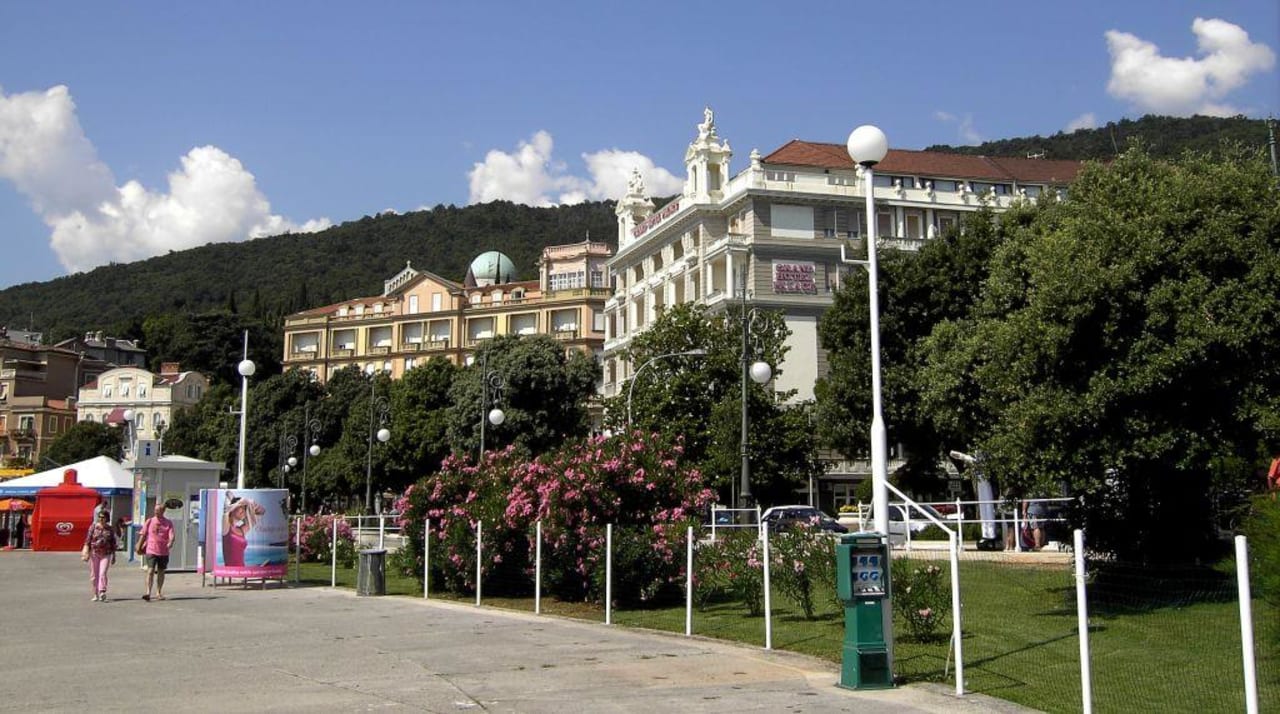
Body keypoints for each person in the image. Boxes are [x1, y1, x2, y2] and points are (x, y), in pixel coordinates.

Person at [139, 503, 175, 601]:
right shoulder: (150, 521)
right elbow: (143, 534)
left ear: (163, 511)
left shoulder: (168, 523)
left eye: (158, 510)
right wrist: (139, 546)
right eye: (155, 510)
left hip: (163, 551)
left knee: (161, 571)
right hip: (151, 550)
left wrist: (170, 542)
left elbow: (172, 535)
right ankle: (148, 592)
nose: (155, 512)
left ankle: (159, 592)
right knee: (150, 571)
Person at [82, 510, 119, 601]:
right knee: (94, 574)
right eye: (100, 517)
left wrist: (114, 555)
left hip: (106, 554)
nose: (101, 519)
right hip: (94, 553)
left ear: (107, 518)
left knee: (102, 573)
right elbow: (88, 540)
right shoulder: (93, 527)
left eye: (103, 517)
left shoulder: (110, 529)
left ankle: (102, 591)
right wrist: (86, 552)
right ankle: (95, 594)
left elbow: (113, 543)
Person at [221, 494, 265, 567]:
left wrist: (251, 504)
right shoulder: (226, 527)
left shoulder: (241, 530)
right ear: (233, 507)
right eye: (241, 507)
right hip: (231, 572)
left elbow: (261, 512)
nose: (243, 511)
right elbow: (226, 510)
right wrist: (240, 502)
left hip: (242, 570)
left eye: (245, 508)